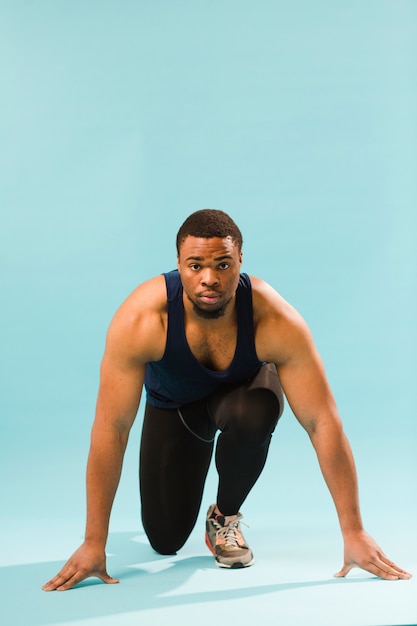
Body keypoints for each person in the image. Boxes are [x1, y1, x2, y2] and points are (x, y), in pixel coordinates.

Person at [42, 209, 411, 591]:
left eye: (223, 264)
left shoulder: (274, 319)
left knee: (257, 410)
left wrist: (354, 531)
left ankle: (224, 517)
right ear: (179, 265)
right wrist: (93, 541)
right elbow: (112, 429)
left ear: (240, 262)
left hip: (242, 399)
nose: (210, 278)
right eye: (195, 265)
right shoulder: (143, 319)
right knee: (165, 540)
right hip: (176, 409)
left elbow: (323, 423)